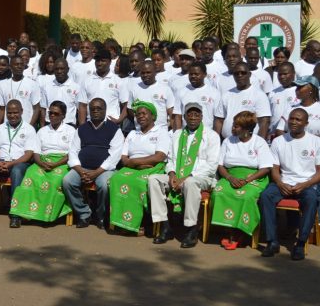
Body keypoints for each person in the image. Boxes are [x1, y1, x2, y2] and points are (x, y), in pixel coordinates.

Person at [148, 102, 221, 248]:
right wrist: (172, 174)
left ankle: (191, 229)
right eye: (190, 114)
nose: (193, 117)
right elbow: (170, 159)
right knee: (153, 179)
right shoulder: (177, 134)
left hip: (202, 177)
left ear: (201, 117)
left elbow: (212, 166)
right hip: (178, 175)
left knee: (190, 183)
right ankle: (165, 225)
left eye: (196, 114)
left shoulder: (212, 136)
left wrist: (187, 177)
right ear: (185, 117)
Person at [260, 108, 320, 260]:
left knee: (312, 200)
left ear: (306, 123)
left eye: (298, 119)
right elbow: (274, 168)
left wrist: (305, 185)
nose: (293, 122)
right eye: (291, 118)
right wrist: (279, 183)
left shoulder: (316, 141)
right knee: (266, 195)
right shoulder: (278, 141)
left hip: (306, 184)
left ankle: (300, 243)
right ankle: (272, 241)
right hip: (284, 183)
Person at [211, 111, 272, 249]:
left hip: (254, 177)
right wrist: (229, 177)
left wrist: (247, 180)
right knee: (219, 192)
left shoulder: (259, 142)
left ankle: (241, 232)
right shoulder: (228, 141)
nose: (232, 128)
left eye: (237, 126)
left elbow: (266, 168)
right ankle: (228, 229)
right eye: (233, 125)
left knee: (246, 196)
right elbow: (220, 165)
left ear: (247, 129)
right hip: (230, 175)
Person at [8, 102, 75, 224]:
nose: (52, 116)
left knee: (55, 180)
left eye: (56, 113)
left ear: (63, 116)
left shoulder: (71, 130)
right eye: (50, 113)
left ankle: (47, 215)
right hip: (43, 161)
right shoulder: (42, 131)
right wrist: (40, 163)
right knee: (30, 177)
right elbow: (36, 152)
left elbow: (72, 153)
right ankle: (21, 213)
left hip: (62, 163)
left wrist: (55, 164)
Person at [109, 101, 170, 233]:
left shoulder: (161, 132)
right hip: (132, 167)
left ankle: (139, 223)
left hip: (153, 167)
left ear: (153, 116)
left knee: (139, 182)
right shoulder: (132, 133)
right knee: (115, 179)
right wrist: (136, 163)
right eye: (137, 114)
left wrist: (135, 162)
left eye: (144, 113)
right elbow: (124, 157)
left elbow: (159, 156)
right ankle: (120, 222)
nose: (140, 116)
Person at [63, 98, 124, 228]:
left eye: (99, 109)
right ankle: (84, 214)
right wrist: (80, 170)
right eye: (93, 109)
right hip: (83, 168)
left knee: (103, 185)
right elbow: (73, 151)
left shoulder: (114, 129)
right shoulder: (82, 128)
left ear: (105, 110)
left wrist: (96, 172)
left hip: (104, 170)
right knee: (67, 181)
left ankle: (100, 216)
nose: (95, 111)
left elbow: (115, 156)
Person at [214, 62, 271, 140]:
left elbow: (264, 122)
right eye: (236, 73)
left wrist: (259, 143)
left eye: (243, 73)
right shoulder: (226, 95)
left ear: (249, 74)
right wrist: (216, 141)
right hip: (228, 142)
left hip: (249, 143)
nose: (240, 75)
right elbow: (219, 120)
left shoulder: (259, 95)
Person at [77, 49, 127, 125]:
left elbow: (126, 105)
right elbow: (82, 105)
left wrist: (119, 120)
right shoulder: (87, 81)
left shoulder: (118, 81)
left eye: (103, 61)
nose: (99, 63)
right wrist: (82, 126)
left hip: (111, 124)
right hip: (91, 123)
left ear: (110, 62)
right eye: (97, 61)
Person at [127, 60, 174, 130]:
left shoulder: (165, 89)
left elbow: (171, 112)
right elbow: (130, 108)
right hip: (140, 132)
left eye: (148, 72)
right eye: (143, 73)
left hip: (160, 131)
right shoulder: (134, 88)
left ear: (155, 72)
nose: (145, 75)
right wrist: (139, 117)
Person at [172, 62, 220, 131]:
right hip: (186, 134)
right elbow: (178, 116)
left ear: (204, 75)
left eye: (196, 74)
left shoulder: (214, 93)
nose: (193, 76)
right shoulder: (181, 92)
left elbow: (217, 118)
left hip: (207, 134)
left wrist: (215, 136)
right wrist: (177, 135)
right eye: (191, 74)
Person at [0, 55, 41, 127]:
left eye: (21, 64)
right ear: (10, 67)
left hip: (25, 126)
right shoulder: (3, 85)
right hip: (8, 127)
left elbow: (37, 108)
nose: (19, 66)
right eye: (16, 64)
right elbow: (1, 109)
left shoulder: (32, 84)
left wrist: (30, 126)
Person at [40, 58, 80, 127]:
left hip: (69, 124)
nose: (59, 71)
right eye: (56, 69)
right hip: (49, 124)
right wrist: (42, 126)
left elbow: (80, 110)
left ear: (68, 69)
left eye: (62, 69)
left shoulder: (76, 87)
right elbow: (43, 108)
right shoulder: (46, 87)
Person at [268, 63, 299, 135]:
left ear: (293, 74)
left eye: (285, 74)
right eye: (279, 74)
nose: (282, 77)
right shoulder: (273, 93)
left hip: (292, 135)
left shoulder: (299, 91)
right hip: (273, 135)